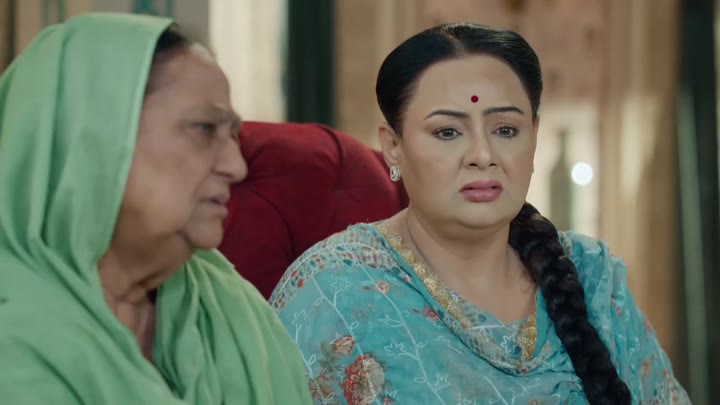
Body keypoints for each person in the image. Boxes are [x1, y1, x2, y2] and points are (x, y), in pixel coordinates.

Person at [270, 23, 689, 404]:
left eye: (505, 130)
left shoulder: (592, 278)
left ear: (534, 135)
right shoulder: (332, 291)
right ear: (393, 146)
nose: (483, 155)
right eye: (447, 132)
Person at [0, 13, 312, 404]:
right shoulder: (14, 339)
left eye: (232, 134)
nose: (237, 167)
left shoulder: (230, 311)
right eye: (204, 129)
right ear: (93, 139)